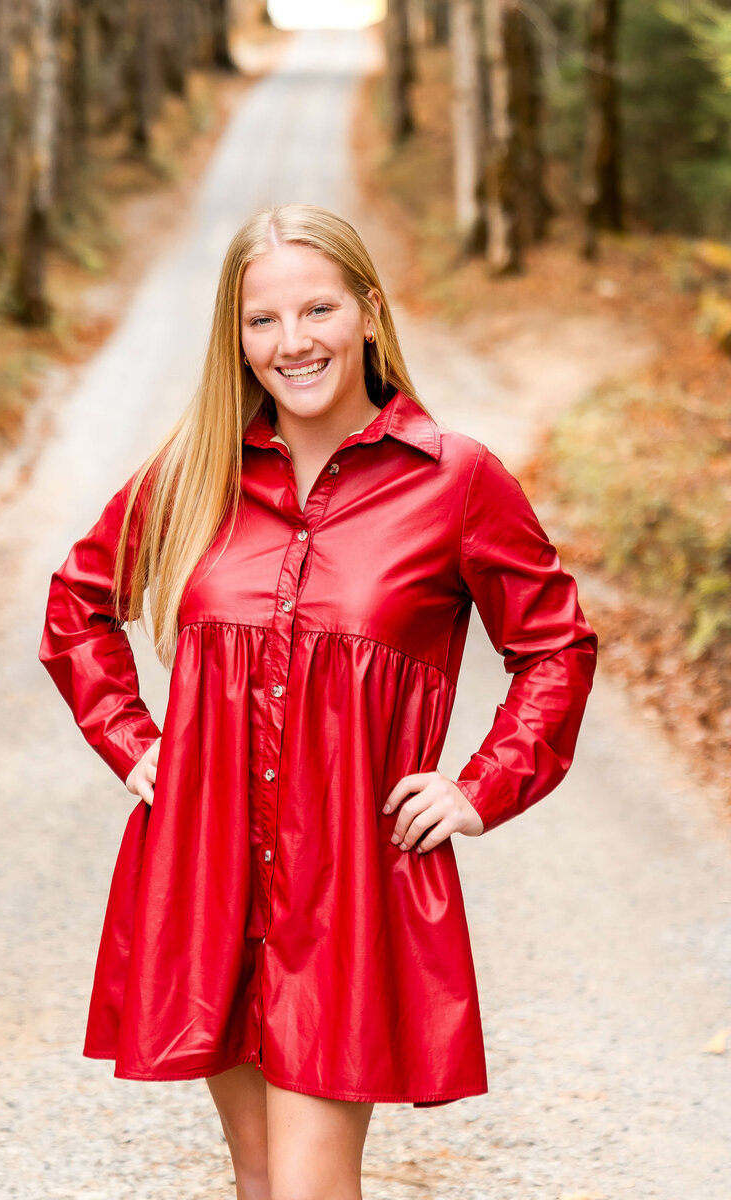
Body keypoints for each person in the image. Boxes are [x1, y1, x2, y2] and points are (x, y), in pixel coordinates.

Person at [39, 202, 598, 1199]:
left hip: (346, 888)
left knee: (305, 1187)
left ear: (369, 314)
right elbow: (78, 607)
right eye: (262, 321)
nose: (291, 343)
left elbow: (553, 645)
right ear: (236, 337)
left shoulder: (454, 481)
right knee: (259, 1179)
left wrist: (479, 786)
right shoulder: (193, 474)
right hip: (205, 871)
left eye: (317, 310)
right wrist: (133, 743)